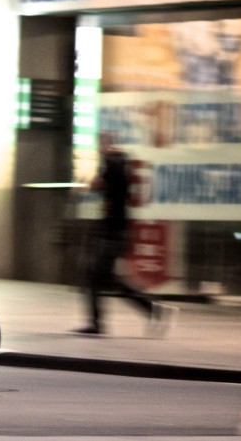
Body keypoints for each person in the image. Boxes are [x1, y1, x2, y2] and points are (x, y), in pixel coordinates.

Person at [73, 132, 176, 336]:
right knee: (107, 278)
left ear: (106, 143)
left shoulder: (113, 162)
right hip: (115, 228)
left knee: (94, 276)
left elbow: (96, 186)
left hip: (112, 231)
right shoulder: (119, 162)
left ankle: (97, 323)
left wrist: (85, 179)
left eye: (101, 143)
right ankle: (151, 309)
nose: (99, 146)